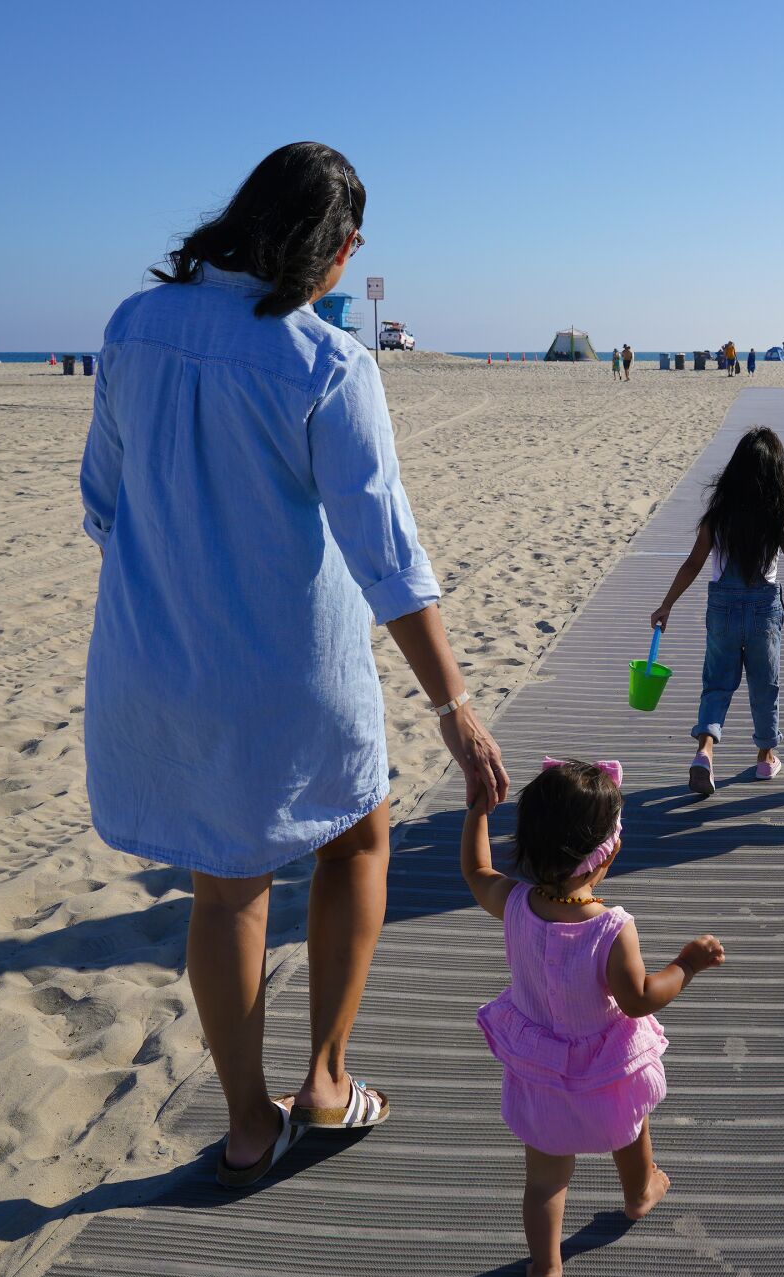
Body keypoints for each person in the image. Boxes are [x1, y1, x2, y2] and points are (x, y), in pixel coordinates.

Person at [80, 142, 510, 1188]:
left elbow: (103, 499)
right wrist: (454, 704)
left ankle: (244, 1121)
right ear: (336, 248)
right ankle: (322, 1078)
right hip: (285, 663)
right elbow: (387, 558)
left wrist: (182, 567)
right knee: (356, 835)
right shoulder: (323, 362)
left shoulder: (134, 328)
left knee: (223, 887)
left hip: (155, 655)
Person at [462, 758, 726, 1277]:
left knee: (544, 1180)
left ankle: (545, 1270)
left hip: (540, 1066)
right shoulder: (611, 927)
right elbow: (638, 1000)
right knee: (630, 1130)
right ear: (607, 853)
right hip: (605, 1066)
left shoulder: (514, 902)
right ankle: (640, 1192)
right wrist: (687, 964)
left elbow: (475, 870)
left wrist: (475, 811)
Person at [650, 426, 784, 795]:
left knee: (716, 684)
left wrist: (667, 604)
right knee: (765, 686)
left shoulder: (717, 518)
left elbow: (693, 563)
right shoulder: (777, 522)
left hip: (722, 610)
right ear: (777, 475)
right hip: (763, 613)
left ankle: (705, 753)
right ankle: (764, 758)